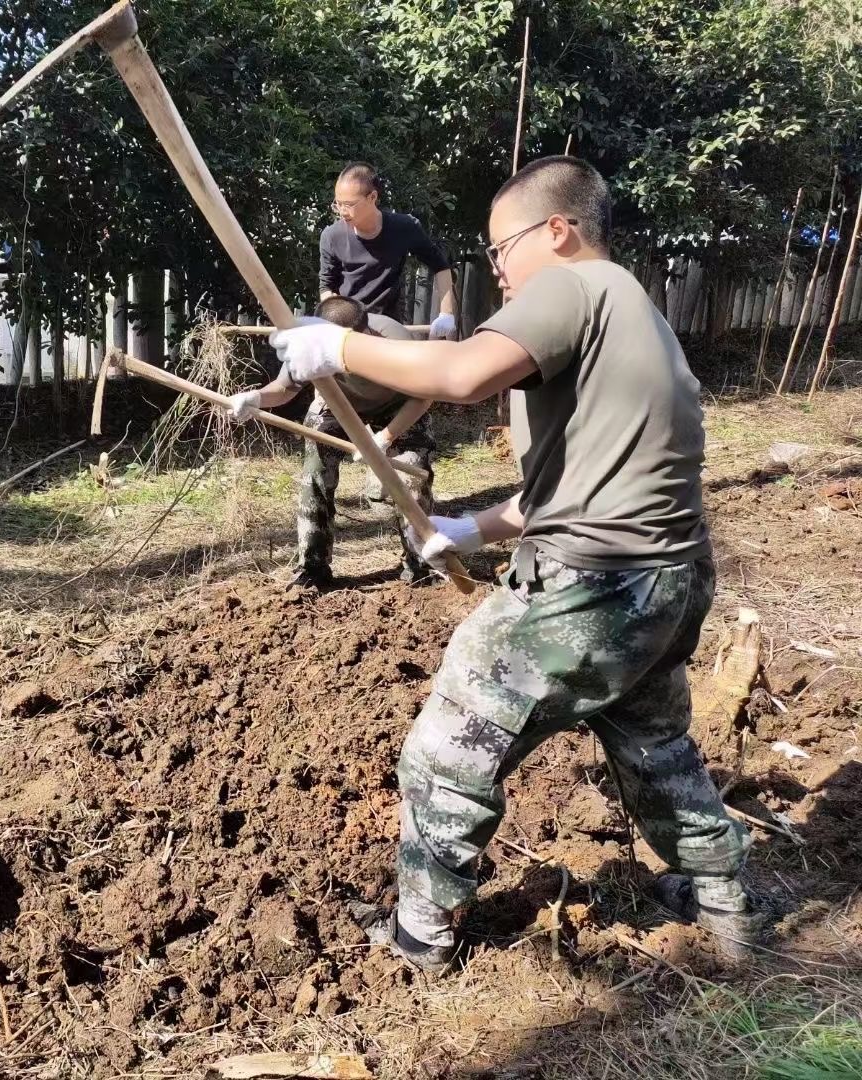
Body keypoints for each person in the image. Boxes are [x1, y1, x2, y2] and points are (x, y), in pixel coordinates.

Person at [269, 156, 761, 973]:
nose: (495, 268)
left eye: (502, 248)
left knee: (449, 742)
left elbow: (459, 374)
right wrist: (471, 529)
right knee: (654, 743)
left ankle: (421, 933)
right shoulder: (634, 312)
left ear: (559, 231)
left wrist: (339, 343)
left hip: (594, 584)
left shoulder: (572, 288)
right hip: (666, 579)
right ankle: (722, 899)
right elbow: (572, 483)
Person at [223, 295, 436, 588]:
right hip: (336, 403)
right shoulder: (312, 341)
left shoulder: (396, 341)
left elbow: (424, 395)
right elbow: (285, 388)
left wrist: (385, 438)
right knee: (315, 473)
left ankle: (421, 564)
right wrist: (256, 398)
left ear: (364, 335)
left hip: (398, 405)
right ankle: (312, 568)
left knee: (412, 474)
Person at [321, 162, 457, 338]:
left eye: (349, 204)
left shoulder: (404, 227)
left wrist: (447, 314)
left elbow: (441, 266)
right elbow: (326, 286)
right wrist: (334, 313)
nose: (342, 211)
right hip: (349, 330)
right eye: (338, 204)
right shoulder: (332, 236)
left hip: (388, 328)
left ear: (372, 197)